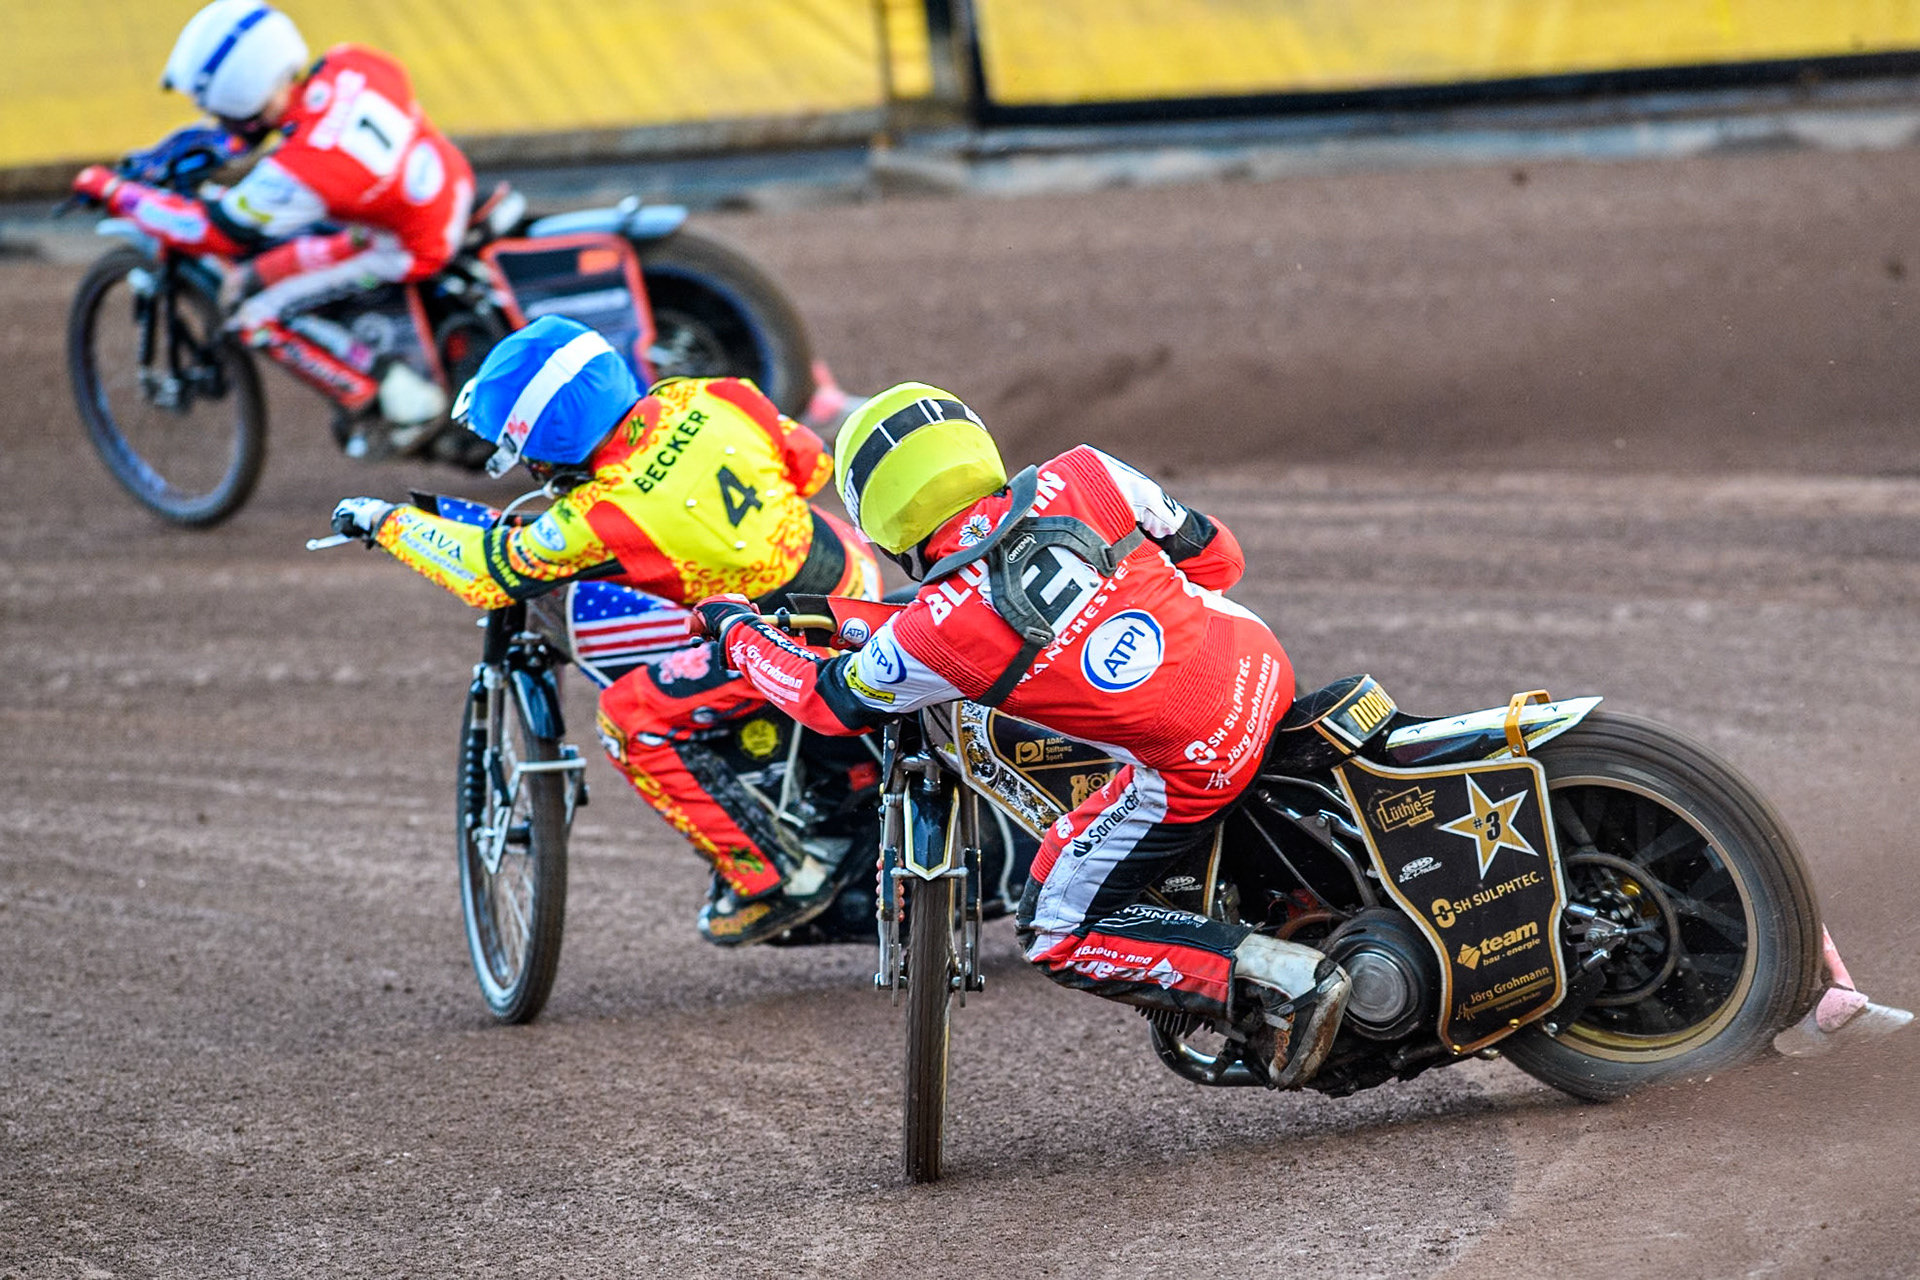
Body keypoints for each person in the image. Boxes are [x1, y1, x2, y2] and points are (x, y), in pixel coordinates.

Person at [691, 382, 1354, 1088]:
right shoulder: (1086, 470)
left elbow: (828, 701)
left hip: (1198, 761)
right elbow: (1219, 562)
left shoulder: (936, 628)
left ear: (878, 516)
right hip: (1264, 668)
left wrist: (739, 634)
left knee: (1055, 926)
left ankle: (1283, 980)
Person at [329, 316, 882, 946]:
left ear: (548, 443)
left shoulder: (600, 514)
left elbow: (487, 574)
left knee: (630, 715)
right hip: (849, 573)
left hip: (779, 642)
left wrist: (385, 522)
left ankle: (775, 877)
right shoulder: (708, 394)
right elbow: (810, 465)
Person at [70, 0, 472, 443]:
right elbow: (293, 131)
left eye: (216, 109)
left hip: (408, 245)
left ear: (237, 94)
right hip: (450, 184)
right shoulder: (351, 61)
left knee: (249, 308)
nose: (217, 119)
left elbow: (209, 230)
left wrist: (113, 191)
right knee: (284, 250)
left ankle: (402, 400)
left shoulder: (298, 172)